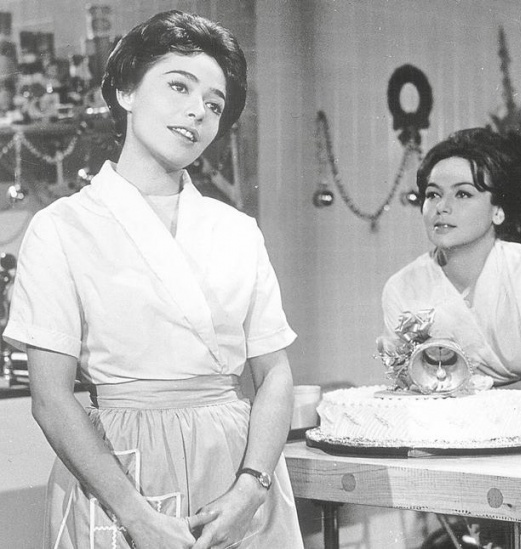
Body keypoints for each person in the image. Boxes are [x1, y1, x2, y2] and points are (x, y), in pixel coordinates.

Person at [2, 11, 303, 548]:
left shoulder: (236, 230)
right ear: (126, 91)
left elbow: (275, 373)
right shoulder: (62, 228)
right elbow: (50, 397)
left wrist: (251, 488)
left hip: (236, 473)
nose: (198, 111)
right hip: (121, 475)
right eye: (179, 86)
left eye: (214, 104)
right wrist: (136, 516)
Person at [381, 127, 521, 415]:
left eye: (463, 194)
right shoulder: (402, 287)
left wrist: (461, 395)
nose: (442, 207)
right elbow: (412, 398)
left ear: (498, 210)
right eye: (433, 194)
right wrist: (517, 389)